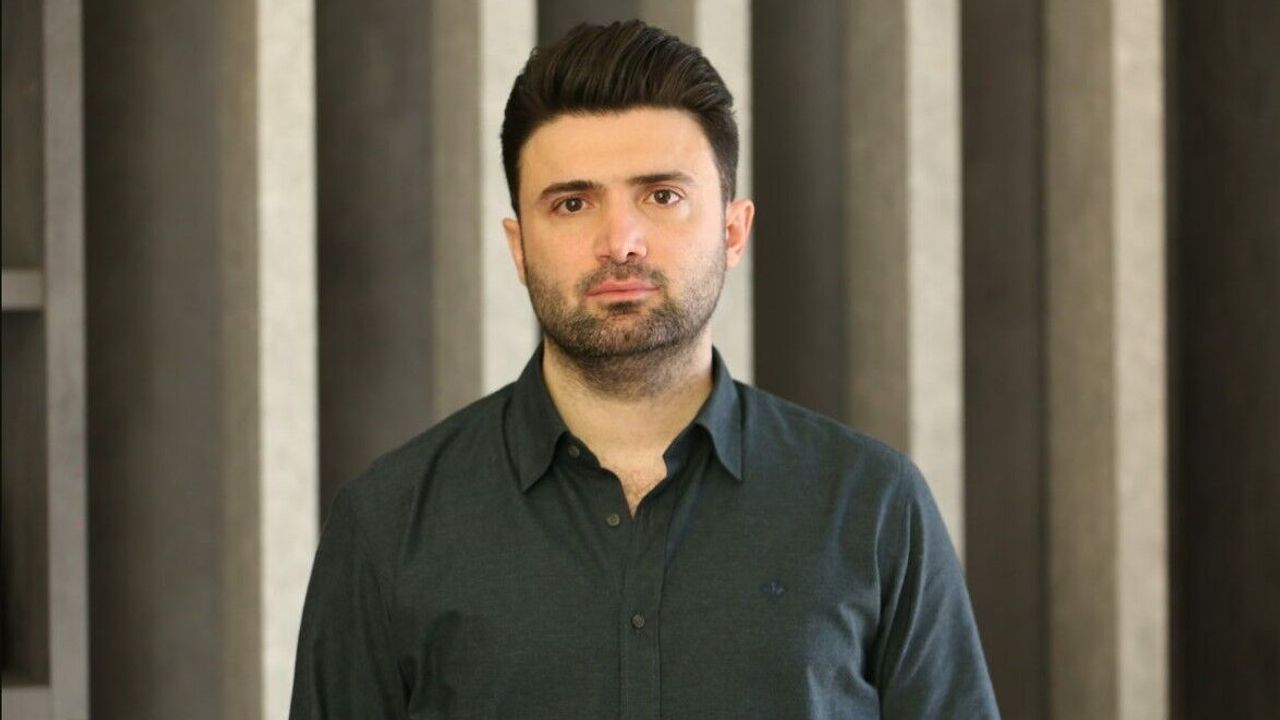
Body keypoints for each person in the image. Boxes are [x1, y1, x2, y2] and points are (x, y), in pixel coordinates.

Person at [289, 20, 999, 719]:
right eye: (572, 203)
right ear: (519, 247)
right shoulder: (388, 524)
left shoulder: (872, 505)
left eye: (662, 196)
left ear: (733, 231)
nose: (620, 242)